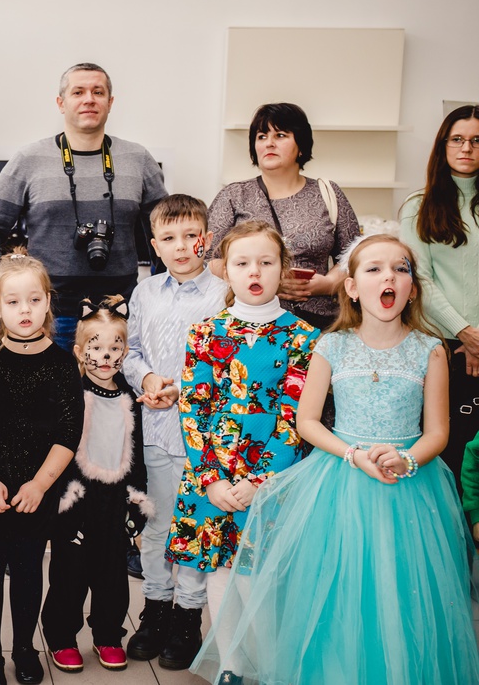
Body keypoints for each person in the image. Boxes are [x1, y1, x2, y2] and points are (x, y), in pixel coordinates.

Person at [192, 234, 479, 685]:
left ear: (412, 288)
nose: (388, 277)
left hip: (410, 487)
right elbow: (306, 420)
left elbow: (439, 432)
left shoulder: (430, 349)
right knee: (338, 587)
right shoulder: (331, 345)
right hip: (339, 481)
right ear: (351, 287)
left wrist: (406, 459)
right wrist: (352, 453)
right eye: (374, 269)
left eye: (400, 269)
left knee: (402, 589)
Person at [164, 221, 320, 671]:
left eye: (266, 262)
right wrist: (211, 479)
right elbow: (192, 410)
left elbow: (294, 419)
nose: (255, 271)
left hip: (272, 476)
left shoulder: (305, 338)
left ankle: (267, 665)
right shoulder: (204, 333)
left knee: (260, 573)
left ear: (282, 269)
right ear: (225, 271)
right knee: (220, 568)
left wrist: (259, 481)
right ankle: (231, 664)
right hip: (213, 474)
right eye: (243, 262)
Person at [0, 62, 167, 352]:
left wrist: (159, 296)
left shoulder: (138, 159)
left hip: (121, 314)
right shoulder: (29, 159)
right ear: (61, 103)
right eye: (78, 92)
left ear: (110, 102)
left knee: (122, 385)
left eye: (98, 92)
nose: (89, 99)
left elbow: (165, 232)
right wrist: (6, 295)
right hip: (49, 318)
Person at [0, 250, 81, 685]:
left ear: (48, 302)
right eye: (12, 302)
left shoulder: (63, 364)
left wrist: (39, 485)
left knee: (29, 570)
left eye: (34, 300)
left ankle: (25, 648)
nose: (24, 310)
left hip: (38, 487)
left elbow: (68, 434)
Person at [121, 194, 227, 669]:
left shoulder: (223, 294)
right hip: (156, 431)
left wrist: (181, 390)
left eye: (190, 236)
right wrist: (147, 380)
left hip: (203, 437)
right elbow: (131, 351)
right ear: (155, 245)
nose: (181, 246)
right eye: (169, 238)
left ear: (208, 239)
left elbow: (226, 364)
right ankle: (155, 610)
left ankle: (188, 617)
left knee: (195, 526)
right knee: (158, 522)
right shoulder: (145, 293)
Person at [40, 296, 151, 675]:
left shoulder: (130, 399)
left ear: (125, 352)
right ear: (78, 352)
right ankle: (62, 637)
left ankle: (108, 634)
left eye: (115, 348)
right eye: (96, 347)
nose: (105, 356)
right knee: (69, 574)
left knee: (112, 575)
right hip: (77, 497)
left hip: (115, 498)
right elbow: (57, 448)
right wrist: (59, 506)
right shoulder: (70, 394)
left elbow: (136, 452)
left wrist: (137, 502)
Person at [207, 102, 360, 330]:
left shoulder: (327, 193)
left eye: (280, 135)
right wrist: (264, 280)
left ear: (301, 145)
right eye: (261, 136)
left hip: (320, 323)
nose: (269, 143)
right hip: (251, 323)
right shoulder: (234, 196)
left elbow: (355, 256)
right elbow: (208, 259)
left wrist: (328, 284)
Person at [399, 104, 479, 491]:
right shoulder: (419, 205)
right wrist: (466, 333)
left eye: (477, 141)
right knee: (449, 453)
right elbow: (420, 280)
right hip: (442, 346)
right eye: (457, 139)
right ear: (443, 145)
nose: (467, 148)